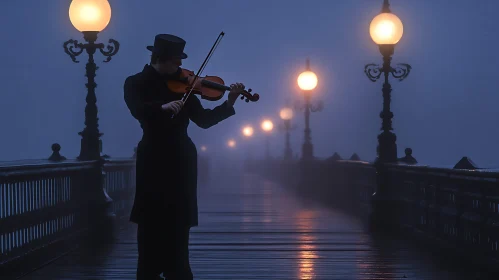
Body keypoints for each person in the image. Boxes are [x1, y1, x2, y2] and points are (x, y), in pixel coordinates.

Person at [123, 34, 245, 280]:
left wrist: (229, 102)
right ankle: (149, 272)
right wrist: (161, 108)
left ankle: (178, 271)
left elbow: (204, 121)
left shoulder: (186, 86)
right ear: (161, 58)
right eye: (176, 62)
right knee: (151, 220)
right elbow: (137, 109)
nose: (180, 67)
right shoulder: (136, 82)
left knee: (179, 223)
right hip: (154, 156)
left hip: (181, 158)